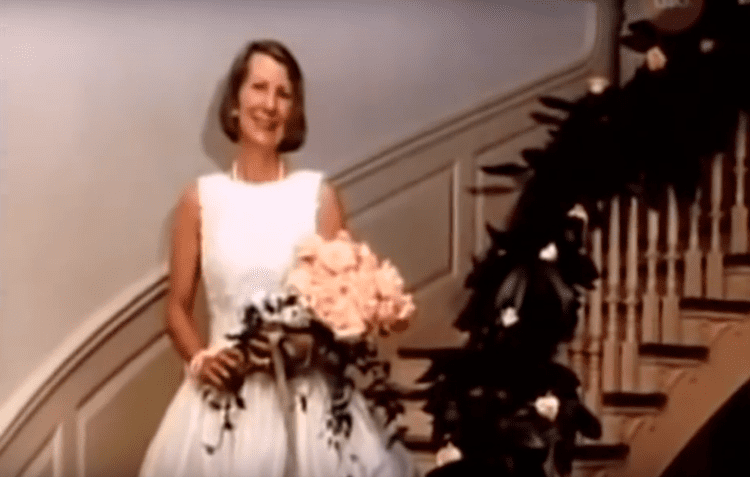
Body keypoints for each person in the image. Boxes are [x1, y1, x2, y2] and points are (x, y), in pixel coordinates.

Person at [139, 40, 416, 477]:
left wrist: (311, 345)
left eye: (283, 94)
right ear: (234, 103)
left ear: (294, 112)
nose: (269, 104)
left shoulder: (318, 195)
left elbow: (343, 310)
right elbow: (176, 307)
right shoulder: (200, 199)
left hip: (309, 402)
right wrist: (201, 360)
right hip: (222, 405)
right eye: (259, 88)